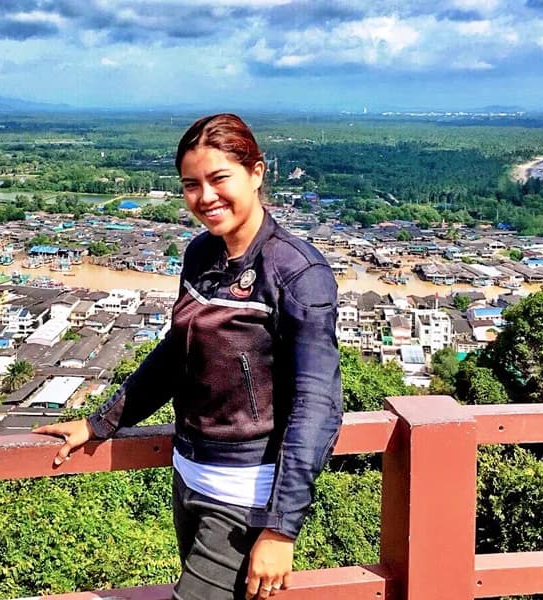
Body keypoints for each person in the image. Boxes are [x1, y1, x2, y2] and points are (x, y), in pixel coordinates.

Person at [34, 113, 343, 600]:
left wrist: (281, 526)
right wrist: (100, 423)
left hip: (246, 493)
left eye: (220, 179)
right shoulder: (201, 254)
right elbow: (177, 354)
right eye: (191, 184)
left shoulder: (296, 272)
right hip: (188, 475)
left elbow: (318, 404)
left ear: (257, 173)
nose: (206, 197)